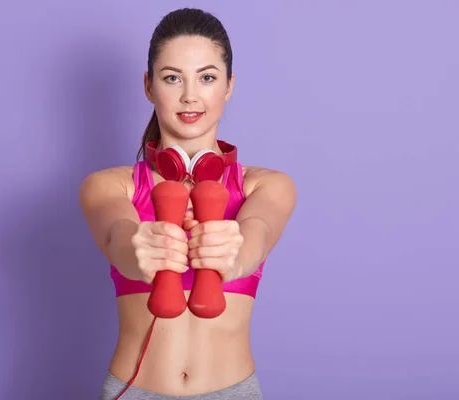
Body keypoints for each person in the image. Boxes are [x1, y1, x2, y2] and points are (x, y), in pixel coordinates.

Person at [80, 7, 297, 399]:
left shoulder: (268, 185)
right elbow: (118, 235)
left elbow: (257, 235)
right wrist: (139, 248)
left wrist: (234, 256)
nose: (190, 96)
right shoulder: (109, 186)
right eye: (172, 78)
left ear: (229, 85)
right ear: (148, 86)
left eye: (207, 77)